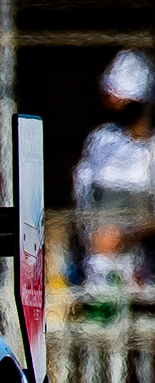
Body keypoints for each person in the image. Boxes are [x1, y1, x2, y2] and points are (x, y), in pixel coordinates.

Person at [73, 49, 155, 296]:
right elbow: (83, 202)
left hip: (141, 273)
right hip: (96, 272)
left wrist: (125, 236)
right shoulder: (101, 141)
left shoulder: (151, 149)